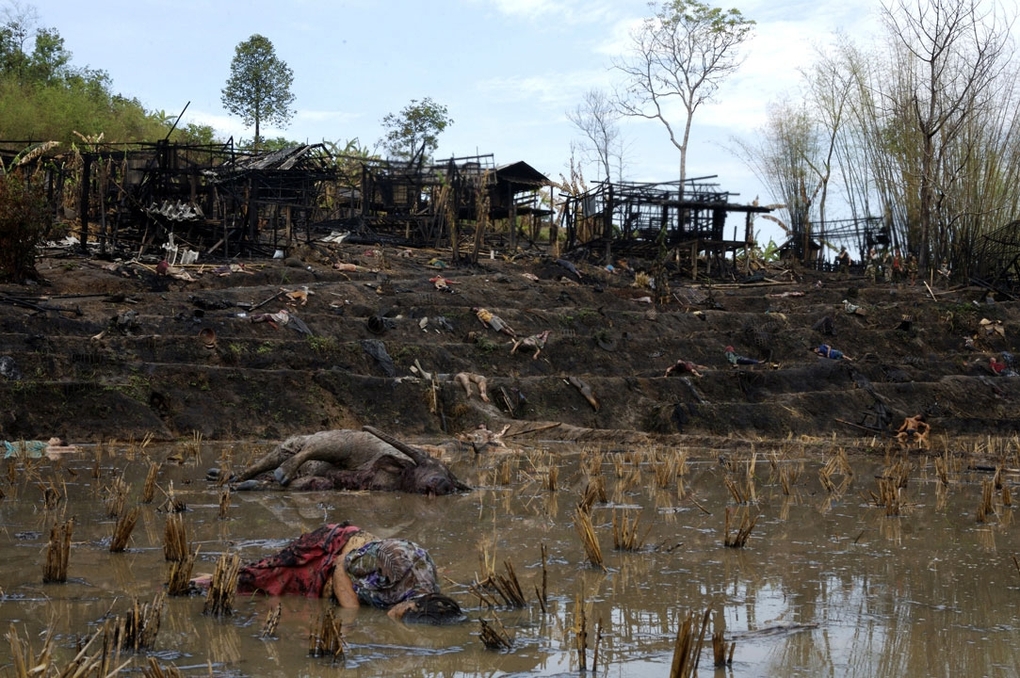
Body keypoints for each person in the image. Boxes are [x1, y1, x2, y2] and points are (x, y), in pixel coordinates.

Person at [197, 524, 464, 624]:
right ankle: (203, 580)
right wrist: (350, 615)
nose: (396, 618)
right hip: (329, 551)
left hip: (348, 578)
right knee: (257, 579)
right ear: (412, 604)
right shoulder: (397, 559)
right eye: (402, 616)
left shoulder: (428, 597)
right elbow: (342, 564)